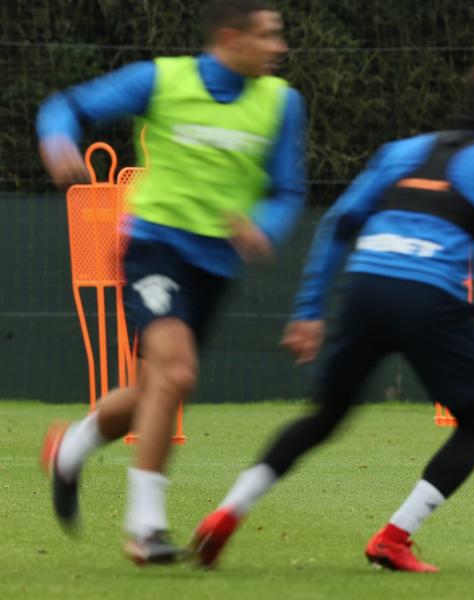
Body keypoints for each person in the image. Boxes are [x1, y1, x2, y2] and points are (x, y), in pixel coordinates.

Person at [187, 64, 474, 573]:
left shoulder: (402, 151)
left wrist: (309, 311)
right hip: (429, 298)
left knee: (324, 417)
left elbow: (339, 222)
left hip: (365, 289)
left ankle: (226, 512)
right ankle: (394, 538)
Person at [37, 0, 305, 564]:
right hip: (152, 247)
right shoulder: (160, 79)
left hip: (214, 265)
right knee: (177, 372)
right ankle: (146, 529)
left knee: (153, 389)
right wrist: (58, 137)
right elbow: (67, 106)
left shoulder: (282, 104)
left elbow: (287, 191)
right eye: (268, 36)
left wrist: (265, 227)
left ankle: (71, 450)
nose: (279, 48)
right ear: (230, 37)